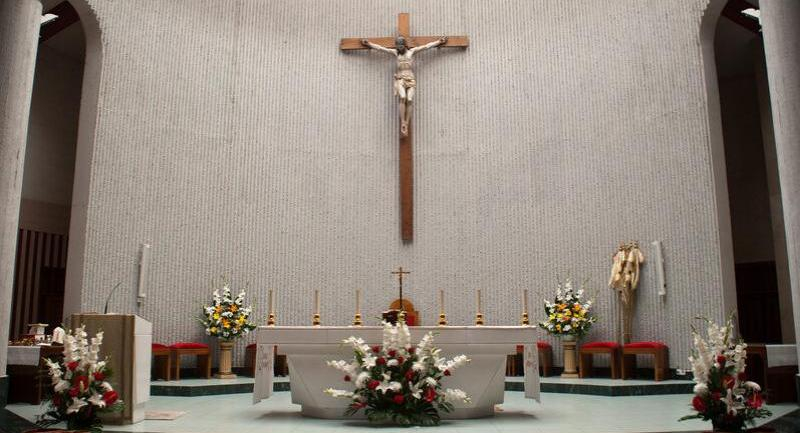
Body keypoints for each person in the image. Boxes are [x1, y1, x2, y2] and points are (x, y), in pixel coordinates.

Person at [361, 35, 448, 136]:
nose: (399, 47)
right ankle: (403, 122)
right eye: (397, 46)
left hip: (410, 78)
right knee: (402, 97)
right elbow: (381, 48)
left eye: (400, 45)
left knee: (410, 99)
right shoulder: (395, 53)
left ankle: (406, 121)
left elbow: (426, 46)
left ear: (404, 45)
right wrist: (369, 44)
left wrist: (439, 42)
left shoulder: (412, 52)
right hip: (400, 79)